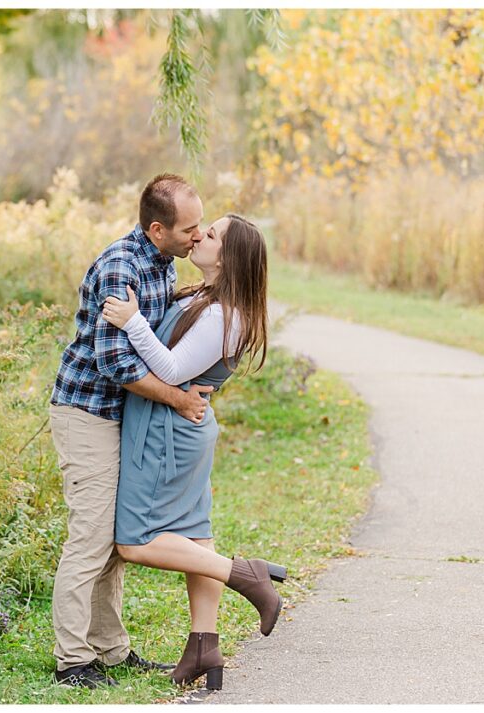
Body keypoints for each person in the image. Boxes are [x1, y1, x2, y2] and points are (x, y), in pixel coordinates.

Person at [101, 213, 286, 692]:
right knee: (192, 534)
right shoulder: (207, 298)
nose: (201, 234)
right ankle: (204, 645)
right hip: (178, 425)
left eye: (214, 233)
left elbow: (170, 367)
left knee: (135, 541)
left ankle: (246, 575)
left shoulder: (226, 313)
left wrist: (133, 321)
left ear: (231, 256)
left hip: (169, 431)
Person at [48, 174, 214, 689]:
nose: (198, 235)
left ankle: (112, 650)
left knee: (115, 539)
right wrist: (179, 399)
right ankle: (72, 659)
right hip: (87, 413)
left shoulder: (163, 262)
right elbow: (116, 361)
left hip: (121, 417)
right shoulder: (122, 267)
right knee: (91, 537)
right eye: (190, 228)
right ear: (158, 228)